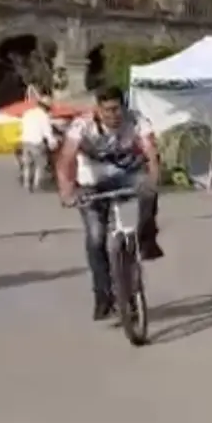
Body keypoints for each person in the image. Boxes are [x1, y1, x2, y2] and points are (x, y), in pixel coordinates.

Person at [55, 86, 163, 321]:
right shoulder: (82, 125)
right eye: (105, 110)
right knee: (96, 237)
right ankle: (103, 296)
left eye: (116, 109)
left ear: (124, 108)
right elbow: (66, 158)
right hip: (91, 181)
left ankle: (146, 238)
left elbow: (151, 153)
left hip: (124, 176)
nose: (111, 116)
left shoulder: (137, 121)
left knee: (147, 191)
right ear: (98, 110)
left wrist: (153, 179)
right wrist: (67, 191)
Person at [18, 94, 57, 193]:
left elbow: (21, 127)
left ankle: (26, 184)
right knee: (39, 164)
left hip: (25, 141)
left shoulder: (27, 113)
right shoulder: (43, 116)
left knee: (27, 165)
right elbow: (47, 131)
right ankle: (36, 184)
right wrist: (52, 141)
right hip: (36, 142)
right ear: (46, 107)